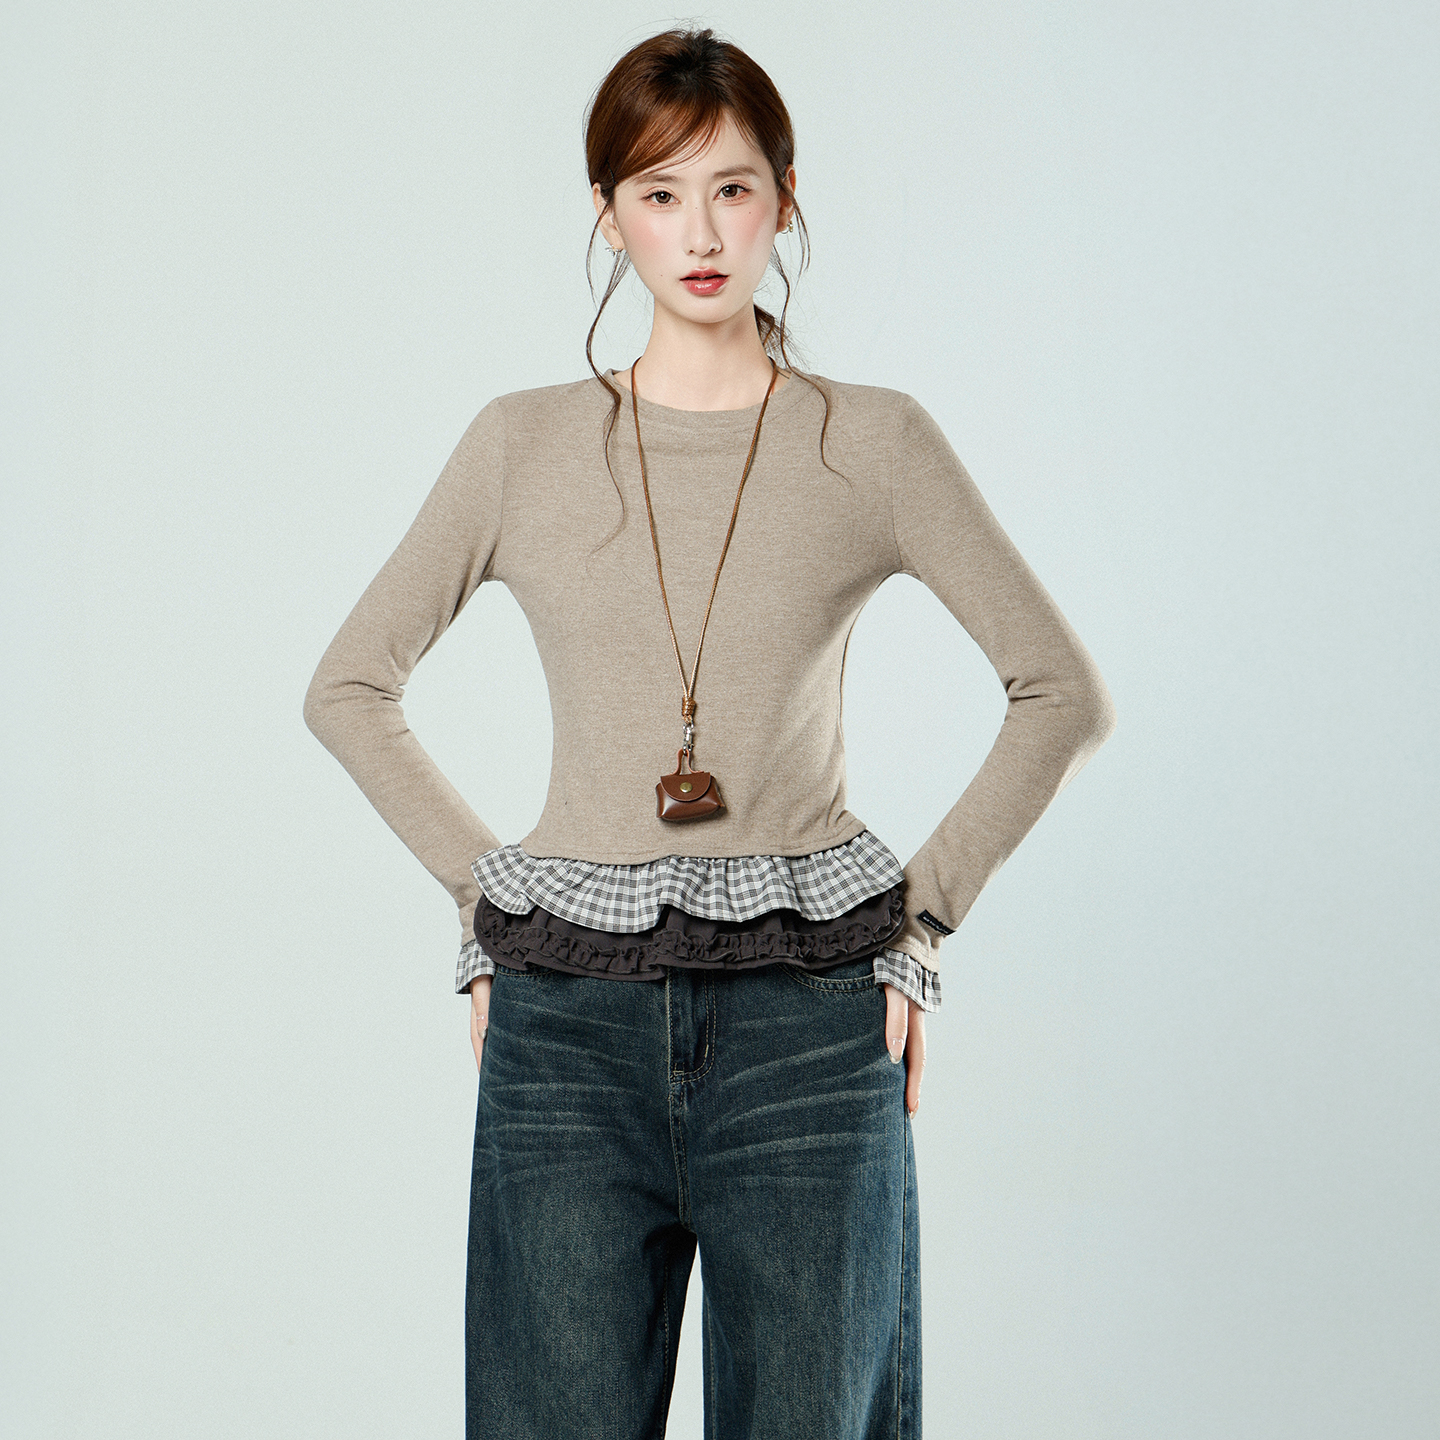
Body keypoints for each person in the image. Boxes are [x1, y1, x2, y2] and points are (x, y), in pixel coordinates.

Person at [303, 25, 1116, 1440]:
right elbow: (349, 688)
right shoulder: (521, 444)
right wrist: (488, 900)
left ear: (785, 201)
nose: (699, 232)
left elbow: (1061, 691)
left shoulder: (872, 441)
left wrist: (919, 925)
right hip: (567, 1030)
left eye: (733, 189)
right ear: (607, 214)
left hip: (811, 1019)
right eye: (660, 192)